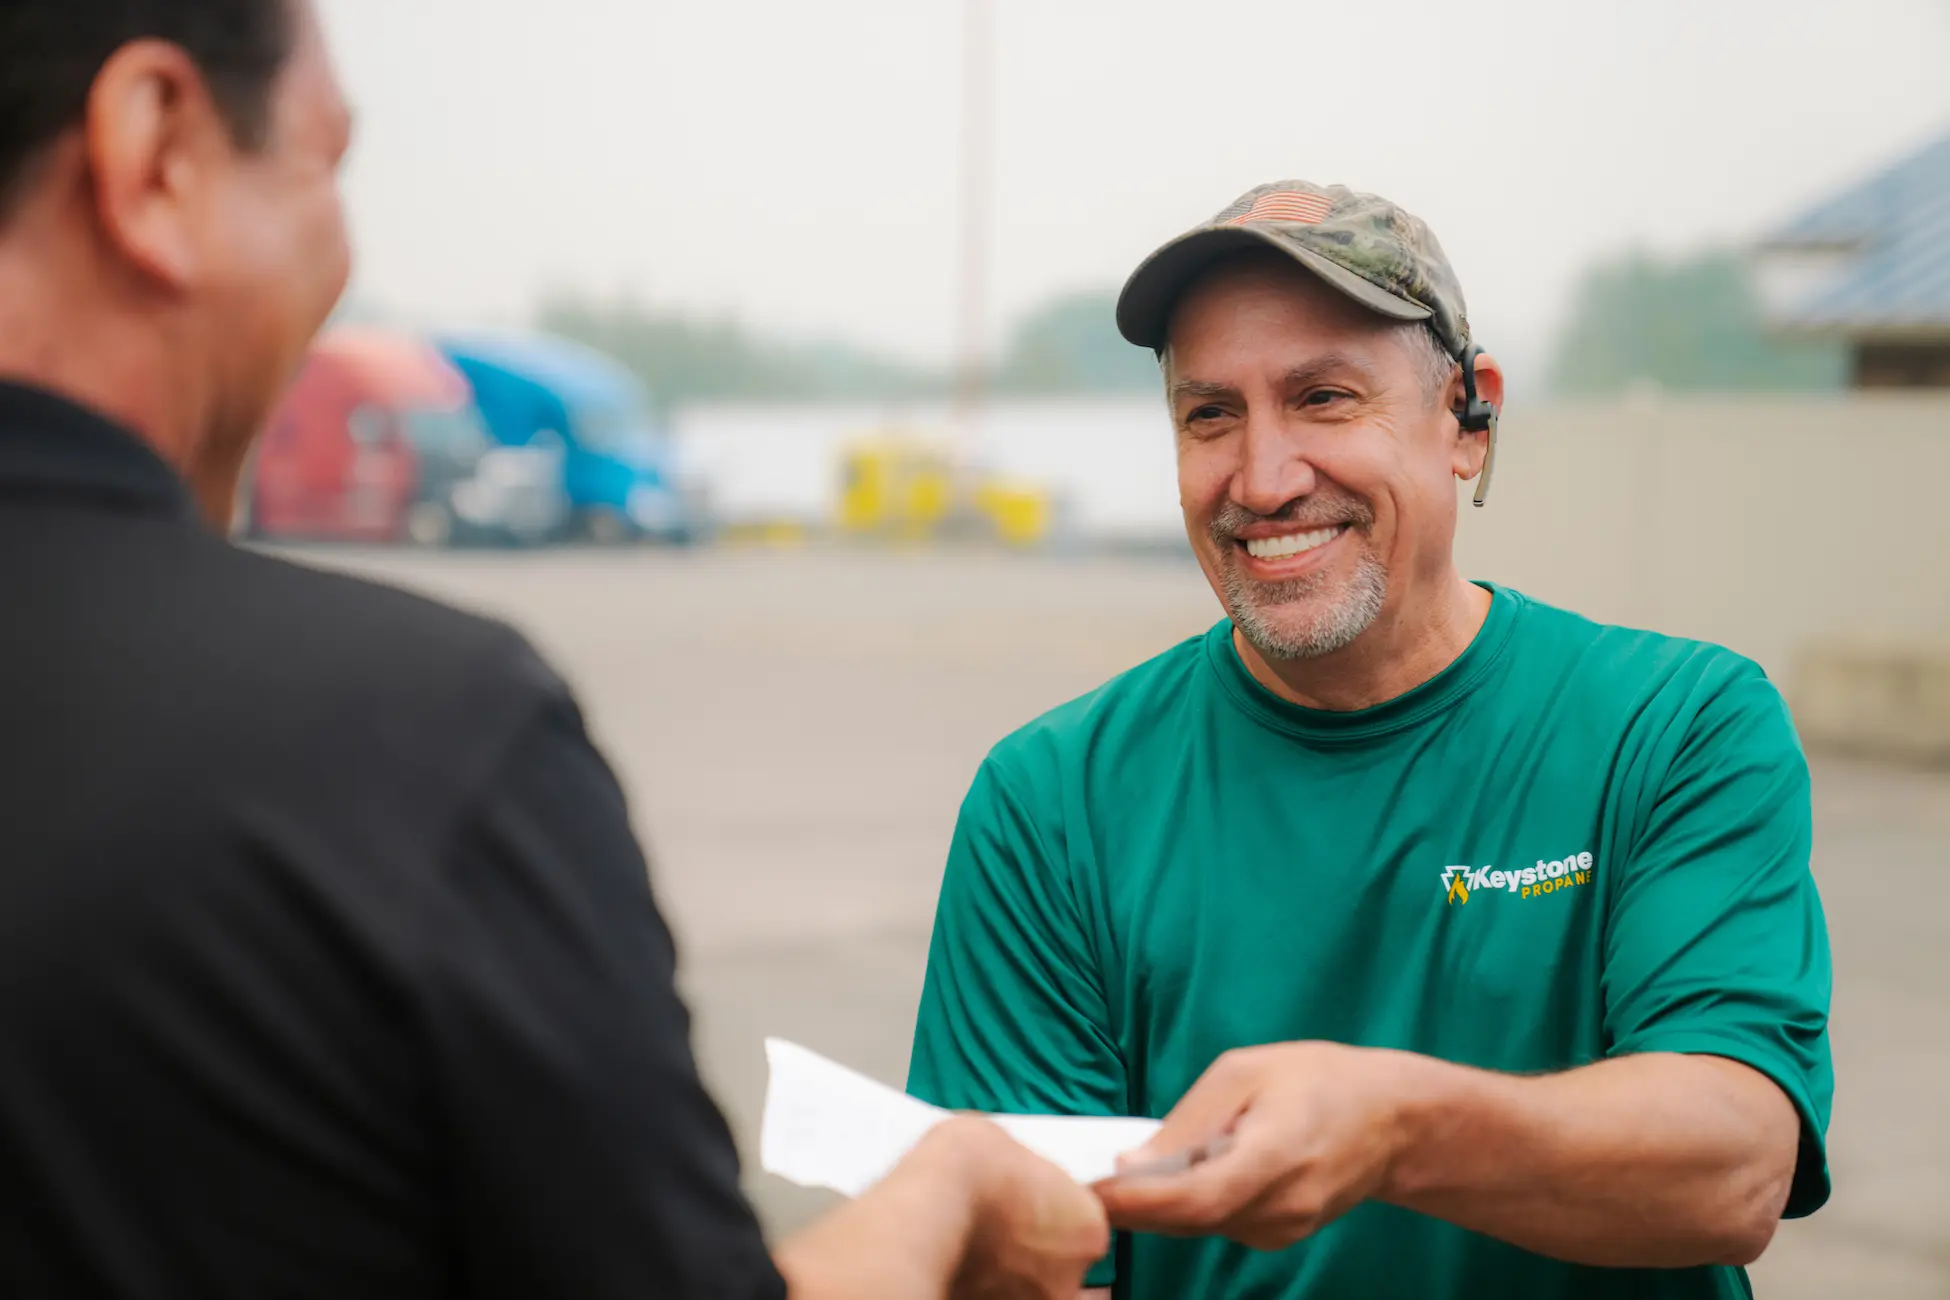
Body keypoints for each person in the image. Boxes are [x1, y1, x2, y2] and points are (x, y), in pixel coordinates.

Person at [0, 3, 1108, 1297]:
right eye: (324, 165)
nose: (346, 260)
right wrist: (940, 1204)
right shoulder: (416, 743)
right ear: (155, 152)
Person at [907, 180, 1834, 1300]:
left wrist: (1392, 1130)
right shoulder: (1052, 802)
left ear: (1467, 416)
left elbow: (1731, 1169)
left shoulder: (1673, 725)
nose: (1263, 478)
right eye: (1210, 415)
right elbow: (1031, 1272)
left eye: (1325, 398)